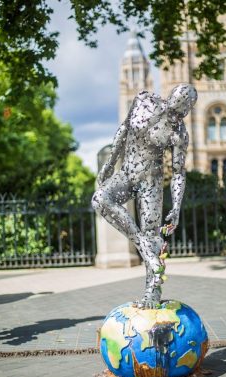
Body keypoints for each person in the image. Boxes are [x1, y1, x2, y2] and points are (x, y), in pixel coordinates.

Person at [92, 83, 197, 308]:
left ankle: (152, 292)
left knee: (153, 236)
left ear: (187, 111)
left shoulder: (179, 133)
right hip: (128, 173)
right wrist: (109, 164)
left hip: (152, 182)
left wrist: (176, 206)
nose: (175, 116)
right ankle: (144, 249)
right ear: (169, 99)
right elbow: (123, 129)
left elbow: (178, 172)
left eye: (181, 113)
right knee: (100, 199)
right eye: (174, 108)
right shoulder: (143, 100)